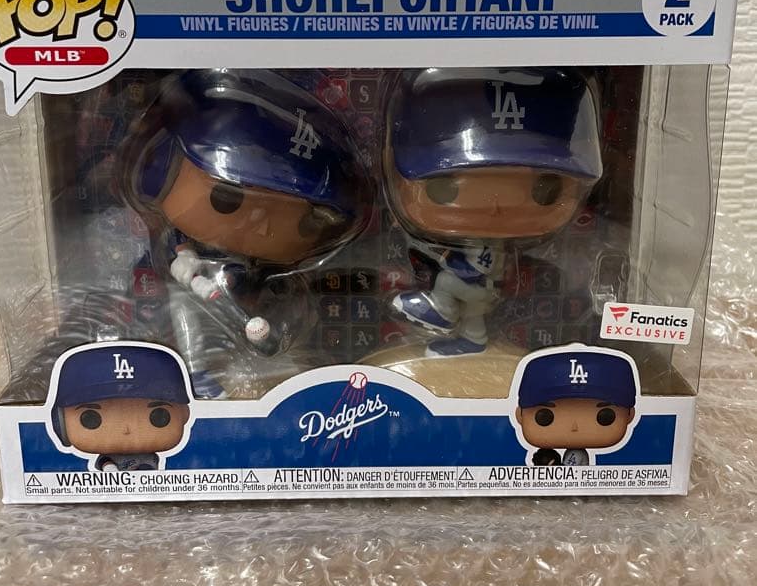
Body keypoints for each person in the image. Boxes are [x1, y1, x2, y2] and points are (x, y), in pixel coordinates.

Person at [120, 70, 373, 393]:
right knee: (184, 308)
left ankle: (276, 358)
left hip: (256, 327)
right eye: (228, 199)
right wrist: (186, 264)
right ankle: (196, 371)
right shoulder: (185, 242)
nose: (261, 226)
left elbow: (286, 302)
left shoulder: (275, 273)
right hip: (198, 313)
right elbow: (177, 255)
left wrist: (273, 329)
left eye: (304, 220)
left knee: (287, 320)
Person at [385, 68, 603, 357]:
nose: (496, 205)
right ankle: (472, 341)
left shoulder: (485, 248)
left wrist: (447, 257)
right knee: (473, 317)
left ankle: (442, 310)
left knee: (447, 282)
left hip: (479, 288)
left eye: (544, 189)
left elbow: (474, 269)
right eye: (445, 188)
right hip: (481, 291)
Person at [50, 341, 192, 471]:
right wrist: (109, 467)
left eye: (159, 416)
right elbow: (104, 462)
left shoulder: (149, 457)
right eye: (91, 419)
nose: (126, 429)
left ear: (184, 414)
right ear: (61, 422)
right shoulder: (106, 457)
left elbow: (149, 467)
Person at [513, 344, 638, 466]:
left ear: (630, 415)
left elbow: (566, 474)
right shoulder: (574, 453)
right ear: (520, 415)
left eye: (605, 417)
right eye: (545, 417)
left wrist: (552, 464)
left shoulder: (576, 454)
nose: (574, 427)